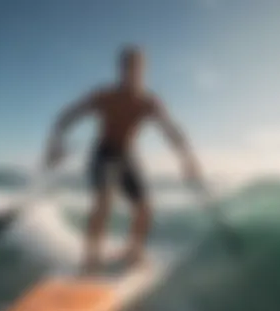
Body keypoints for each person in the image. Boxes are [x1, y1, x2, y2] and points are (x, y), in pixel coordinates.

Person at [43, 45, 202, 274]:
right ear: (120, 69)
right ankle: (91, 258)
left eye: (138, 68)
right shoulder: (104, 96)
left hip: (128, 156)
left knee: (145, 207)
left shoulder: (149, 102)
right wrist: (55, 146)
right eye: (128, 67)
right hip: (104, 153)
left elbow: (171, 131)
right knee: (104, 201)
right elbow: (64, 118)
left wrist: (188, 159)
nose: (133, 72)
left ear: (144, 70)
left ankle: (133, 251)